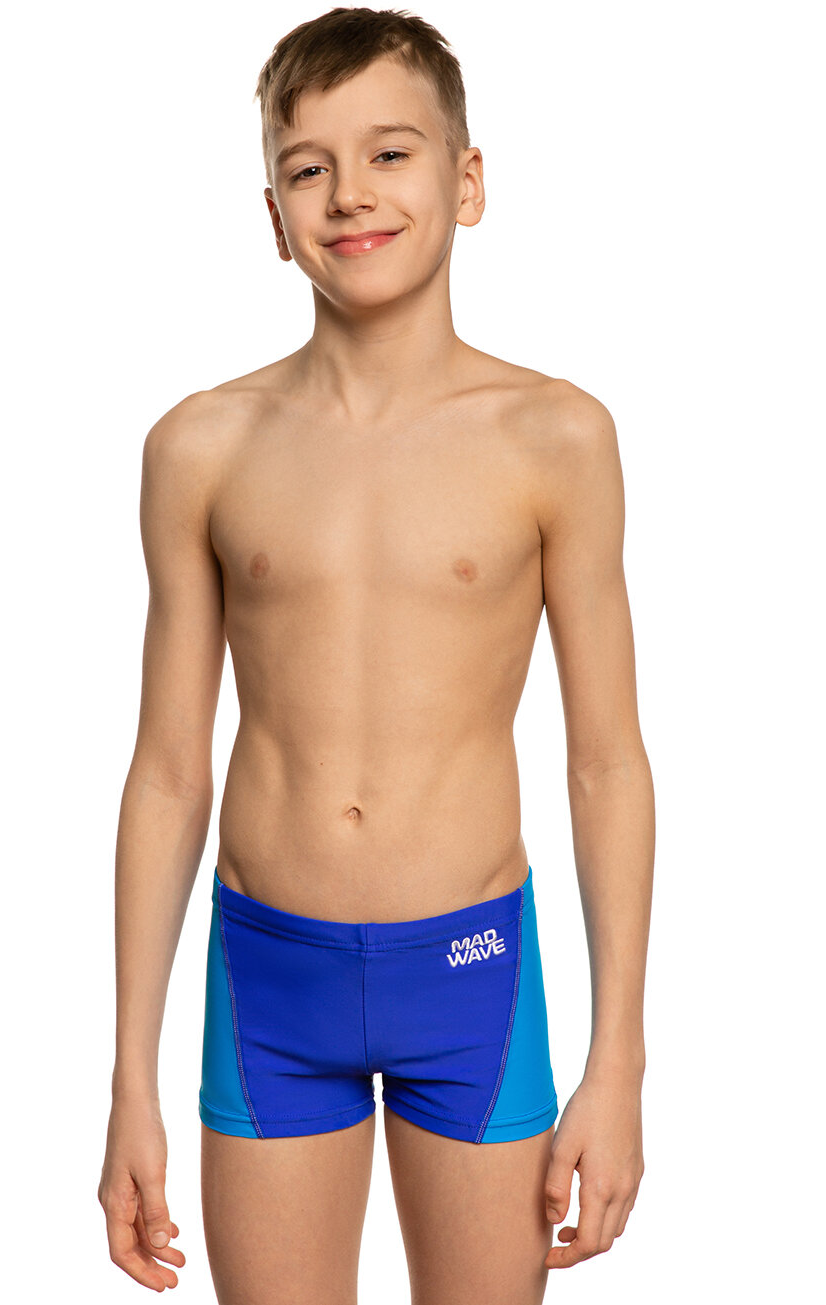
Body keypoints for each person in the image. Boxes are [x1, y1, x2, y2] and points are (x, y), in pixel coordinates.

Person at [97, 7, 654, 1302]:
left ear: (467, 182)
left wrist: (618, 1057)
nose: (350, 192)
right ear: (273, 214)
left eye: (391, 153)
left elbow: (606, 763)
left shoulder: (554, 437)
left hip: (471, 977)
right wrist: (129, 1077)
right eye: (309, 166)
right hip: (269, 983)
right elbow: (167, 770)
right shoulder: (200, 447)